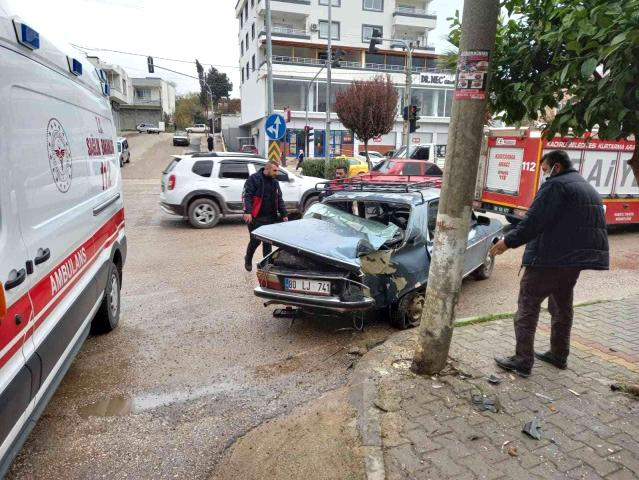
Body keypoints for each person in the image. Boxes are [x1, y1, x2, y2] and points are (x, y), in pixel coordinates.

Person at [490, 150, 609, 377]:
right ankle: (559, 354)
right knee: (561, 306)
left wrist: (508, 242)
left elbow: (534, 221)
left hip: (549, 260)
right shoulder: (584, 186)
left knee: (527, 305)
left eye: (545, 170)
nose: (544, 175)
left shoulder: (556, 185)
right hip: (573, 262)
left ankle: (522, 361)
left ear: (556, 167)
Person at [242, 160, 288, 271]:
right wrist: (247, 211)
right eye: (274, 170)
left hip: (270, 217)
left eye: (277, 170)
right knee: (255, 240)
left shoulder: (275, 182)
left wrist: (284, 214)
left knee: (268, 242)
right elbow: (246, 196)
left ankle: (266, 264)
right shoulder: (254, 179)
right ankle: (248, 259)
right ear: (267, 169)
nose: (276, 173)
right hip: (255, 216)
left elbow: (279, 199)